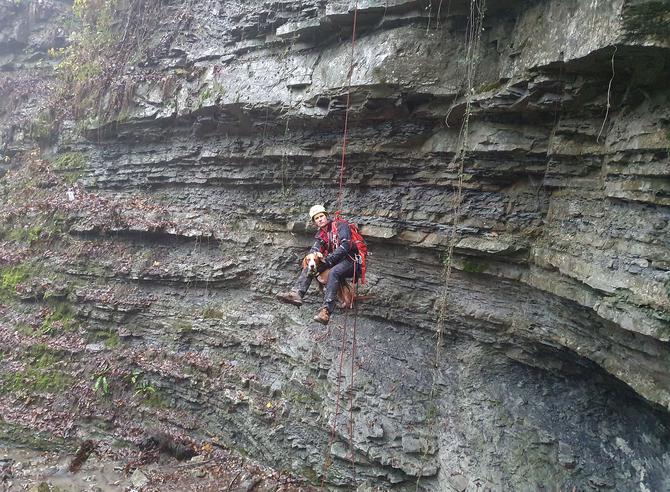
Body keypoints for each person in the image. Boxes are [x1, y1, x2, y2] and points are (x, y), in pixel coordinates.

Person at [277, 204, 361, 325]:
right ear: (315, 222)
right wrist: (312, 258)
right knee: (311, 264)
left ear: (326, 216)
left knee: (334, 272)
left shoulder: (341, 225)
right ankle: (297, 293)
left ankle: (326, 311)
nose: (320, 219)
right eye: (316, 218)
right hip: (336, 261)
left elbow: (345, 245)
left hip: (351, 261)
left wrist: (328, 260)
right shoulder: (321, 234)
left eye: (321, 216)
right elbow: (314, 249)